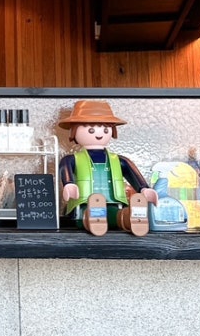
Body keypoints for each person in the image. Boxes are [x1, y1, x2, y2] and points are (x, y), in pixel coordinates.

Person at [58, 99, 157, 235]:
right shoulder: (73, 159)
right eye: (91, 130)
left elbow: (131, 173)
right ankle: (108, 217)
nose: (99, 134)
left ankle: (129, 217)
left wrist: (143, 188)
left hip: (113, 201)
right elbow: (64, 168)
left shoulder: (118, 160)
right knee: (89, 213)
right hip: (85, 201)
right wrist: (68, 184)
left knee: (113, 214)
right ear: (74, 131)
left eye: (105, 129)